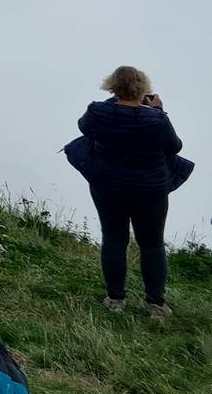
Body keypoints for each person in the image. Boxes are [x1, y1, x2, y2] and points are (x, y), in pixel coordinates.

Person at [72, 66, 188, 318]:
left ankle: (115, 300)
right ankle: (156, 305)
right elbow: (174, 146)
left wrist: (115, 101)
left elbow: (84, 128)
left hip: (108, 186)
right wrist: (156, 109)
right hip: (151, 191)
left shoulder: (98, 111)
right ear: (143, 89)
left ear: (112, 86)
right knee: (152, 244)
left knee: (114, 238)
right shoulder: (157, 119)